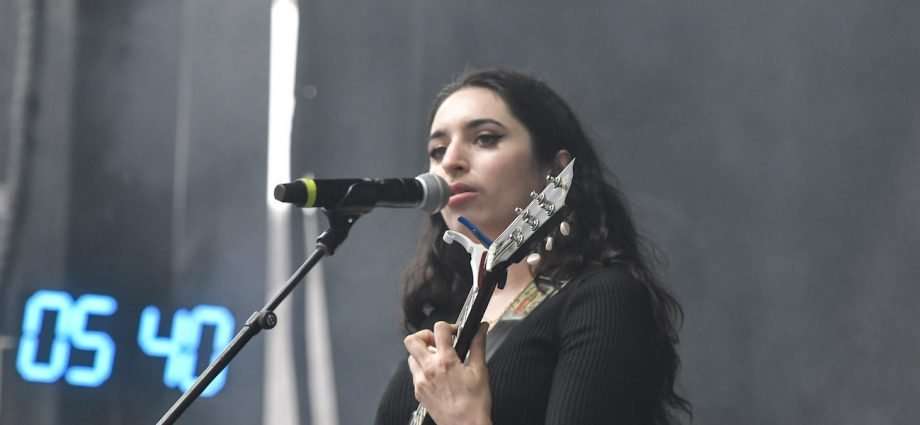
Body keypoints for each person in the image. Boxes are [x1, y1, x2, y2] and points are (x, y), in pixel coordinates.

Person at [375, 69, 691, 425]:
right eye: (437, 149)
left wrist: (463, 418)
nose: (450, 162)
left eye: (484, 138)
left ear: (555, 170)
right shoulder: (444, 318)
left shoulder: (602, 297)